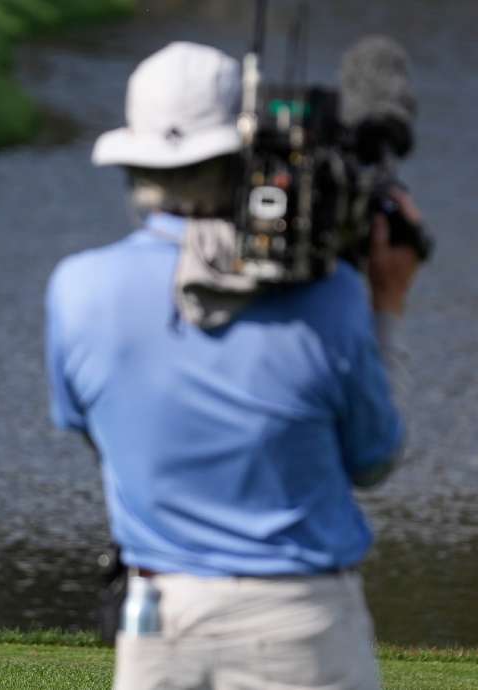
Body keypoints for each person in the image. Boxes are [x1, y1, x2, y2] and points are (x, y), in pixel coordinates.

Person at [44, 41, 420, 690]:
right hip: (300, 623)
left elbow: (93, 433)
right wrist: (384, 301)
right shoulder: (325, 299)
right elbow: (373, 458)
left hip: (156, 625)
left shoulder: (76, 290)